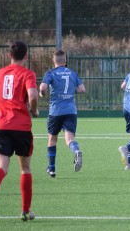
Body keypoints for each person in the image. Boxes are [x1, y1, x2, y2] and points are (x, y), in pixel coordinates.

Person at [0, 41, 39, 221]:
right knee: (25, 168)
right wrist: (34, 110)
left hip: (0, 126)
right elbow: (32, 96)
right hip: (21, 126)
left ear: (9, 55)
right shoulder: (28, 74)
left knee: (2, 167)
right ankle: (25, 211)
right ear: (26, 56)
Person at [39, 50, 86, 178]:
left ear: (54, 61)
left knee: (52, 139)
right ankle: (76, 150)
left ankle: (52, 169)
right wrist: (71, 91)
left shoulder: (50, 73)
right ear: (65, 61)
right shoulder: (72, 73)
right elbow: (82, 89)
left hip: (56, 111)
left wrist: (42, 94)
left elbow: (42, 88)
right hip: (70, 111)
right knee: (69, 139)